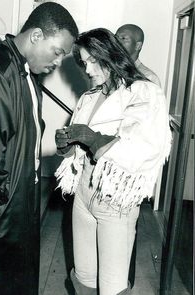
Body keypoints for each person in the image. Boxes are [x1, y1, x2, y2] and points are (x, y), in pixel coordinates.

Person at [0, 3, 78, 295]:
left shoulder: (26, 73)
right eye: (58, 52)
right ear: (36, 35)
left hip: (18, 199)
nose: (58, 62)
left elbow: (25, 137)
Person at [55, 28, 171, 295]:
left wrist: (94, 140)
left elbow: (146, 147)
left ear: (109, 54)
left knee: (112, 286)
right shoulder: (89, 97)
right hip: (84, 192)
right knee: (83, 276)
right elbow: (77, 149)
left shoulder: (144, 91)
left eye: (93, 60)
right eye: (84, 63)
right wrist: (67, 147)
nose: (88, 69)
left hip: (116, 199)